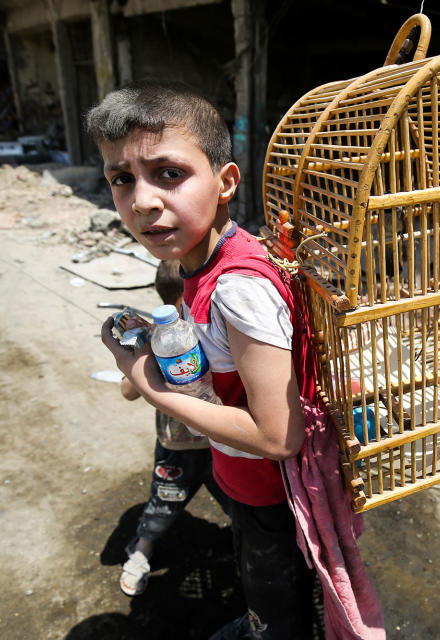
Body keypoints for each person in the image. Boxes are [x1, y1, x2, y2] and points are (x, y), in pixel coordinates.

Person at [88, 82, 316, 639]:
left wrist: (147, 380)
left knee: (277, 599)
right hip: (238, 478)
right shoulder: (197, 262)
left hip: (269, 490)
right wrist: (150, 349)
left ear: (225, 182)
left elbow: (278, 436)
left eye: (169, 173)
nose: (142, 200)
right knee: (256, 573)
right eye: (122, 179)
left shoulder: (237, 286)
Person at [117, 259, 229, 597]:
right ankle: (141, 550)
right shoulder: (155, 339)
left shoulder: (209, 330)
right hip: (177, 446)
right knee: (163, 503)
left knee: (239, 506)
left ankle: (250, 550)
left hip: (221, 441)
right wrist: (142, 363)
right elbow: (127, 391)